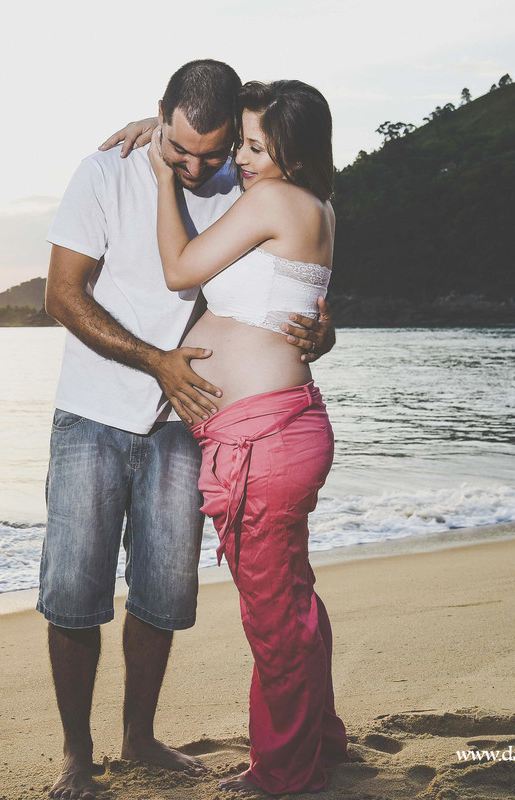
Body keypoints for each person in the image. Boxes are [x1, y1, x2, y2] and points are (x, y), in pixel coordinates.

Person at [39, 61, 336, 800]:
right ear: (160, 116)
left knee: (163, 593)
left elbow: (292, 269)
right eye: (182, 150)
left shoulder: (247, 179)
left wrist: (322, 329)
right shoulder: (107, 171)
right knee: (76, 590)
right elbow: (60, 293)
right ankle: (78, 754)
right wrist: (156, 363)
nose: (201, 164)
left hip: (192, 421)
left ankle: (140, 737)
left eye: (218, 150)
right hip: (97, 408)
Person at [140, 79, 349, 794]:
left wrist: (166, 171)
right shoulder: (317, 203)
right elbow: (296, 306)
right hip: (279, 428)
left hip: (264, 441)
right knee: (291, 599)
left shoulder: (270, 198)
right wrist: (175, 127)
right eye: (243, 143)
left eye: (258, 146)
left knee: (274, 618)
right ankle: (320, 741)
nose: (245, 157)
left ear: (290, 151)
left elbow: (179, 271)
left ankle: (285, 774)